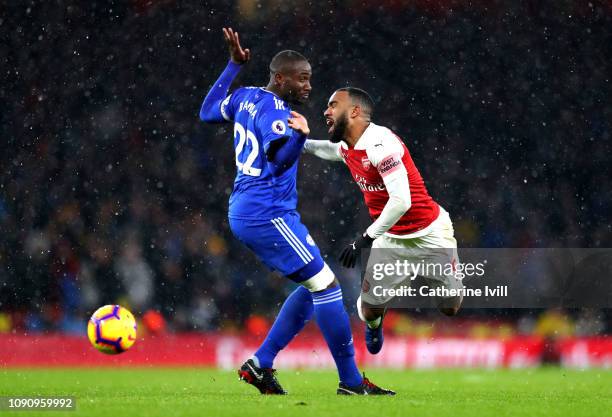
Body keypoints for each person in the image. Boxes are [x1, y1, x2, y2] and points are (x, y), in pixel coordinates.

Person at [199, 29, 394, 395]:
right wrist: (300, 136)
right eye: (301, 78)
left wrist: (232, 67)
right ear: (280, 78)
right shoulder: (277, 111)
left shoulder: (246, 97)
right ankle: (351, 382)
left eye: (310, 79)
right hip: (266, 211)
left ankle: (260, 364)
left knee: (313, 286)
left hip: (248, 208)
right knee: (328, 286)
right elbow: (276, 160)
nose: (308, 86)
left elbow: (208, 111)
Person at [303, 87, 463, 355]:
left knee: (450, 307)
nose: (326, 111)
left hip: (430, 232)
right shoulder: (348, 146)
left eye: (333, 105)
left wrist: (364, 239)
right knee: (369, 310)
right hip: (390, 239)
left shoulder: (381, 145)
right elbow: (332, 151)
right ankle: (376, 324)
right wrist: (300, 143)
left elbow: (401, 201)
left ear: (354, 111)